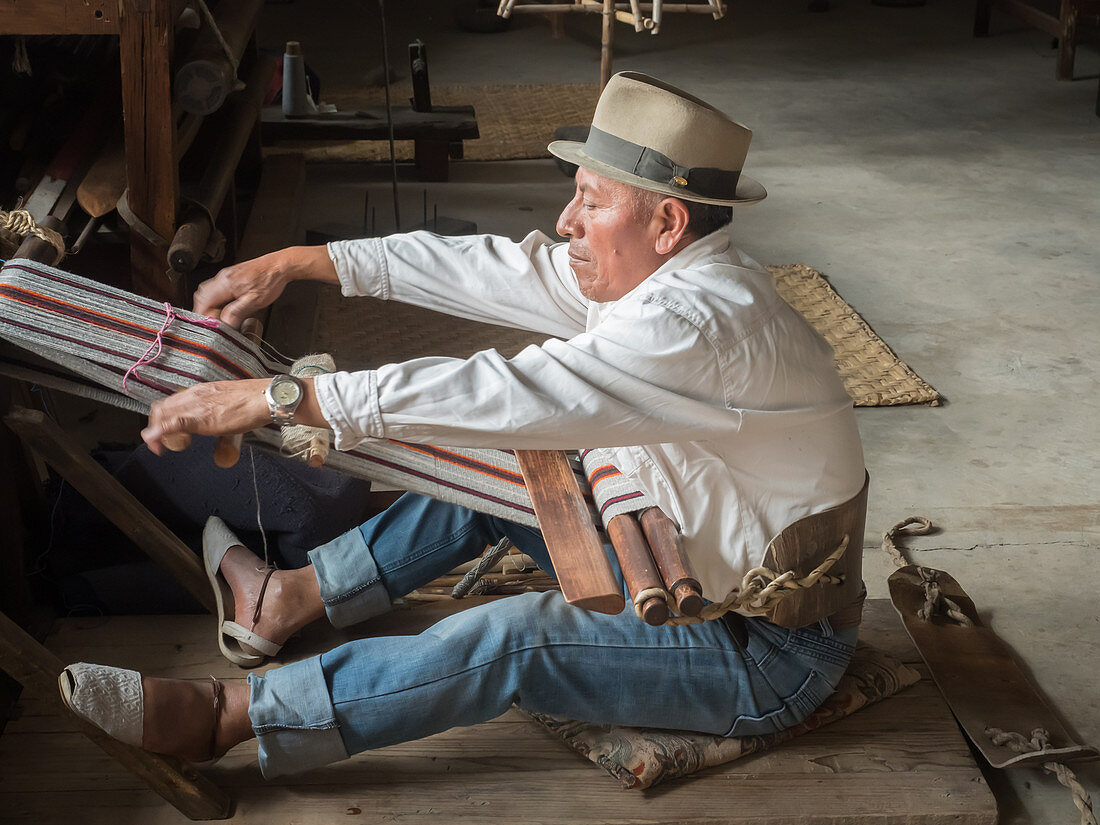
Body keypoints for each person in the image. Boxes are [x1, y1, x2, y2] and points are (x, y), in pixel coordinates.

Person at [59, 72, 866, 778]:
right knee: (506, 473)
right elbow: (493, 266)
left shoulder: (698, 323)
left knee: (513, 636)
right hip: (687, 554)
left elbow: (509, 390)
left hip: (762, 654)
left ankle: (229, 717)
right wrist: (302, 262)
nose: (565, 221)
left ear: (666, 225)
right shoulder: (658, 277)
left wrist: (275, 398)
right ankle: (289, 598)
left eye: (591, 200)